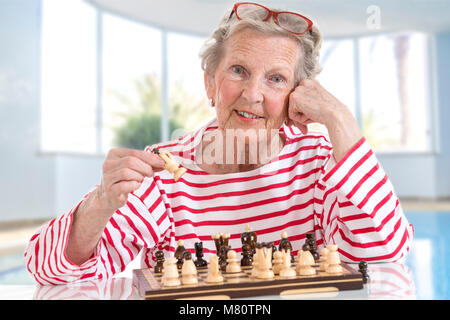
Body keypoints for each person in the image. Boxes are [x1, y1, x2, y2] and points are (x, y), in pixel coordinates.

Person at [24, 2, 414, 285]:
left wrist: (341, 122)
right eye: (238, 71)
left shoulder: (318, 163)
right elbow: (48, 268)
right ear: (210, 82)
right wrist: (101, 203)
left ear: (298, 95)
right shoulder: (164, 171)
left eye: (276, 79)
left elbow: (386, 255)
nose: (252, 93)